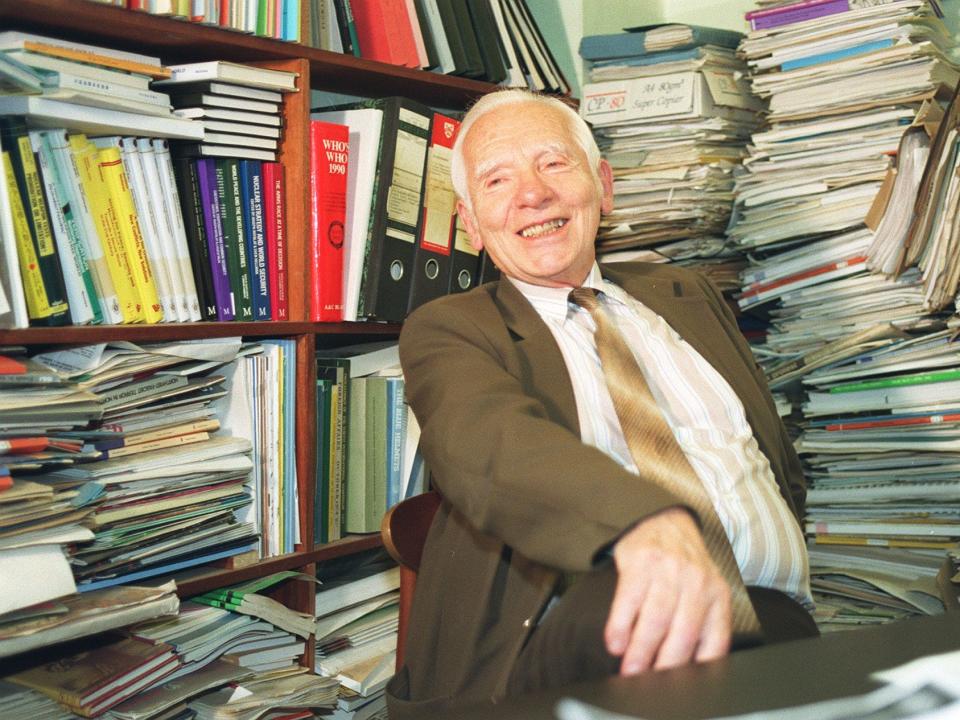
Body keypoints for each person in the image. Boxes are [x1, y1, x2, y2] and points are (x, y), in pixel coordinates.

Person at [386, 89, 817, 719]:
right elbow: (487, 444)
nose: (532, 194)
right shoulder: (450, 329)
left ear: (603, 186)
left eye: (554, 164)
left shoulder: (684, 293)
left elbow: (772, 457)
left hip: (769, 614)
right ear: (472, 225)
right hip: (567, 631)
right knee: (631, 609)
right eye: (497, 179)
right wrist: (644, 523)